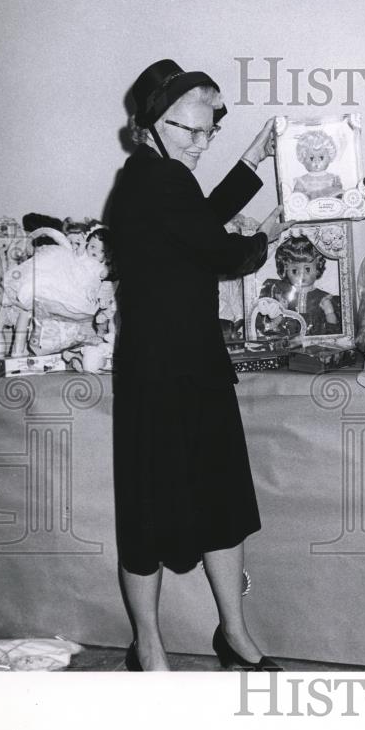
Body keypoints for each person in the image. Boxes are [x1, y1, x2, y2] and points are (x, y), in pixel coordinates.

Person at [109, 58, 292, 671]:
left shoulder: (160, 176)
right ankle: (152, 648)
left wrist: (253, 159)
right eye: (190, 130)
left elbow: (198, 222)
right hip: (163, 372)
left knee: (214, 500)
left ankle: (229, 635)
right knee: (160, 510)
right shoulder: (152, 179)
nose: (201, 141)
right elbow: (221, 249)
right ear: (150, 125)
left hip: (187, 363)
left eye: (209, 128)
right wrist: (270, 231)